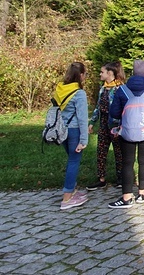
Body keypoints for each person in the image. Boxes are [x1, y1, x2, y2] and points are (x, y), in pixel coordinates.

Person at [108, 60, 144, 208]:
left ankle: (126, 198)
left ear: (133, 73)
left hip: (126, 131)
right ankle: (142, 193)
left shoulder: (122, 89)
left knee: (127, 163)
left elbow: (114, 112)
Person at [56, 62, 90, 210]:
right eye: (85, 74)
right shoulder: (79, 93)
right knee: (73, 162)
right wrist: (84, 140)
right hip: (74, 131)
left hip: (61, 130)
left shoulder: (60, 88)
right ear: (81, 75)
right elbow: (82, 118)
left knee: (71, 160)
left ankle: (73, 190)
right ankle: (67, 198)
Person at [87, 62, 125, 190]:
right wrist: (92, 122)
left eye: (102, 72)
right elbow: (98, 106)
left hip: (116, 124)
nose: (100, 74)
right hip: (103, 123)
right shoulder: (103, 88)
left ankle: (121, 178)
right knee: (101, 150)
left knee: (119, 152)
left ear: (110, 73)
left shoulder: (120, 88)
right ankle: (101, 179)